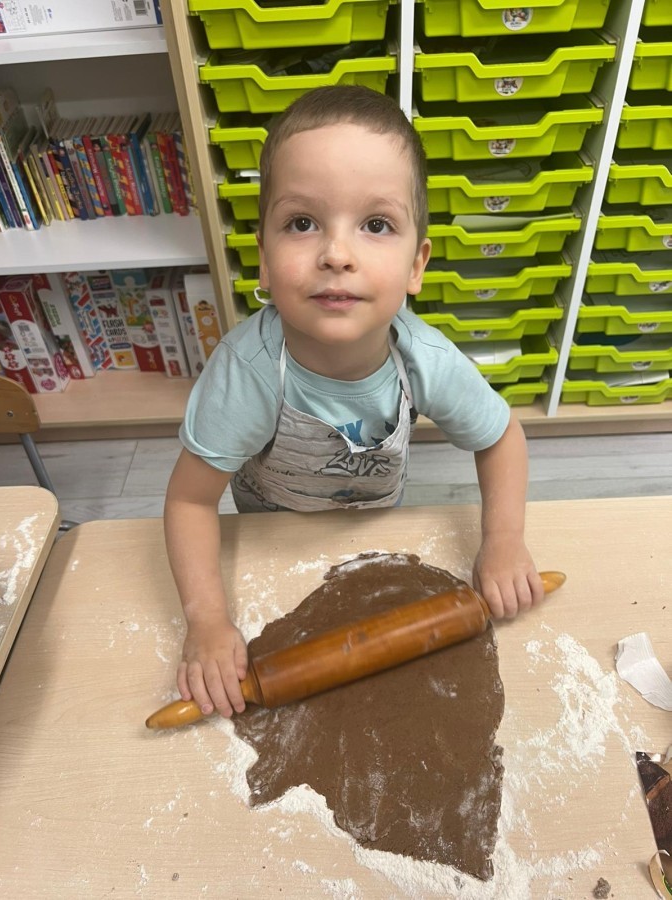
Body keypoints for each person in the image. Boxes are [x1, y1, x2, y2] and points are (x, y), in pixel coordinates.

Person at [164, 84, 544, 720]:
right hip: (267, 542)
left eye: (376, 225)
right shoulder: (248, 373)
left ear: (416, 264)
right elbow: (189, 500)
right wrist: (207, 620)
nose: (336, 255)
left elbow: (501, 438)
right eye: (302, 223)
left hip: (377, 530)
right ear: (263, 259)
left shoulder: (425, 359)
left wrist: (503, 541)